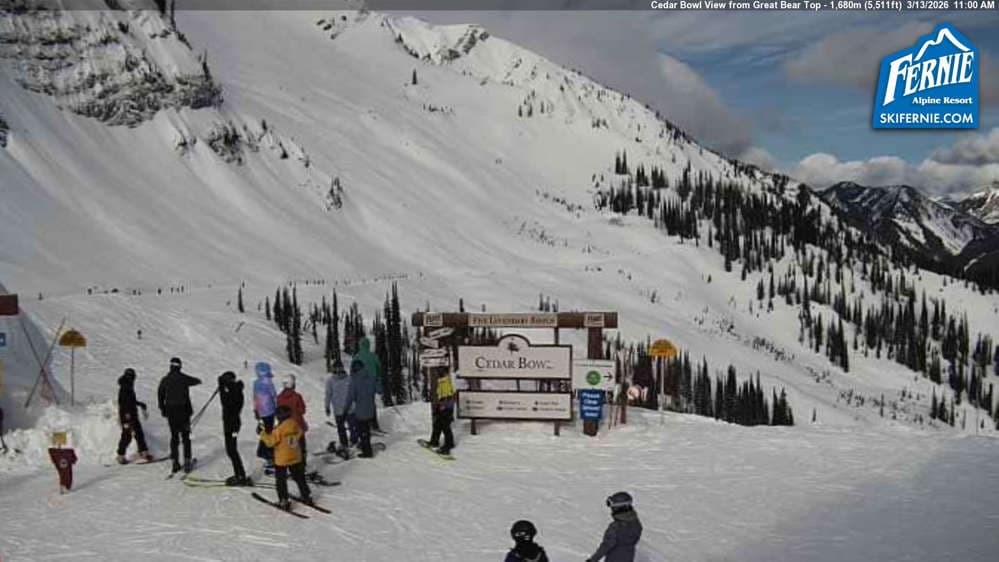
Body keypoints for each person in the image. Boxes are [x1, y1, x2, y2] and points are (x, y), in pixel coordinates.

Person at [258, 404, 312, 511]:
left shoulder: (280, 429)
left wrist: (263, 434)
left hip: (282, 459)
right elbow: (300, 435)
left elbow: (270, 442)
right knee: (299, 477)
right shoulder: (295, 424)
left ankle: (284, 500)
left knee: (281, 480)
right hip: (295, 456)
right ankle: (306, 496)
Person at [157, 357, 202, 474]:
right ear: (180, 366)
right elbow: (196, 381)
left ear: (170, 366)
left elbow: (160, 395)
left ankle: (175, 463)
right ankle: (187, 462)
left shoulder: (165, 380)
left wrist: (163, 409)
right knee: (186, 437)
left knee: (174, 437)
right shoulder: (183, 378)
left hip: (171, 412)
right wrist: (198, 380)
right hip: (184, 411)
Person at [586, 491, 643, 562]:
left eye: (613, 508)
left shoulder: (615, 527)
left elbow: (606, 546)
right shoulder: (636, 523)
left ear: (619, 508)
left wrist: (592, 560)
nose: (612, 511)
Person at [218, 371, 249, 486]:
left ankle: (240, 475)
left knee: (231, 450)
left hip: (232, 426)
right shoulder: (235, 390)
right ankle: (240, 474)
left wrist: (222, 387)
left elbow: (225, 402)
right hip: (231, 424)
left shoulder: (235, 392)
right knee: (231, 450)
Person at [116, 368, 153, 464]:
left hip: (132, 414)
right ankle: (120, 456)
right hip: (127, 416)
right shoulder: (125, 387)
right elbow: (123, 403)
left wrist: (139, 404)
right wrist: (126, 415)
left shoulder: (127, 385)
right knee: (127, 435)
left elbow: (130, 401)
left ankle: (143, 452)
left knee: (139, 433)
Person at [346, 353, 377, 458]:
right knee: (366, 429)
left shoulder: (354, 381)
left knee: (362, 430)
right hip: (371, 409)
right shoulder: (370, 378)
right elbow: (377, 389)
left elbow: (350, 397)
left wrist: (345, 409)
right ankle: (365, 445)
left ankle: (367, 451)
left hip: (360, 411)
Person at [324, 358, 354, 458]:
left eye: (339, 368)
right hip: (338, 409)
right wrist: (327, 406)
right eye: (335, 368)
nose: (337, 370)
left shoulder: (349, 379)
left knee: (352, 426)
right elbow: (328, 394)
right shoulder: (330, 381)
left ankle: (354, 441)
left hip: (349, 408)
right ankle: (344, 444)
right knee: (341, 428)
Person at [277, 374, 309, 461]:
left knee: (290, 447)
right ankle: (302, 465)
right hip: (297, 426)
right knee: (301, 446)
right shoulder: (297, 396)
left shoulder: (279, 397)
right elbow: (302, 410)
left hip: (285, 428)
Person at [253, 361, 277, 474]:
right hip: (270, 412)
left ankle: (264, 453)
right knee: (269, 433)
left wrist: (256, 410)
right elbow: (274, 396)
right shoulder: (269, 383)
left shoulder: (256, 383)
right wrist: (278, 409)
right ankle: (269, 457)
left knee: (264, 432)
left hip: (261, 413)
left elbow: (255, 398)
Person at [354, 337, 383, 431]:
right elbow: (379, 368)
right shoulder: (373, 356)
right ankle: (374, 424)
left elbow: (353, 371)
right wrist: (377, 379)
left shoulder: (357, 356)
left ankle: (363, 424)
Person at [427, 370, 456, 455]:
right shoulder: (440, 380)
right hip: (441, 405)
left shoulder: (450, 379)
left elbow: (452, 395)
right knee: (437, 424)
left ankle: (449, 444)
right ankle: (434, 441)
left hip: (447, 406)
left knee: (445, 425)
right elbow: (440, 394)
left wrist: (446, 404)